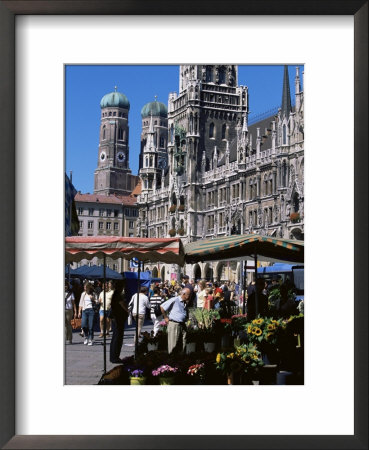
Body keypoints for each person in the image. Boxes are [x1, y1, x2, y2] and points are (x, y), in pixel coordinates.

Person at [160, 287, 191, 354]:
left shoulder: (185, 302)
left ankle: (181, 358)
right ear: (184, 294)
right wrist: (165, 317)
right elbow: (162, 307)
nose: (189, 296)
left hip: (182, 324)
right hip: (174, 324)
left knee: (183, 342)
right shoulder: (175, 300)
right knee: (173, 344)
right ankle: (172, 360)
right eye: (188, 294)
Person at [109, 279, 129, 364]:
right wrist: (128, 310)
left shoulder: (116, 294)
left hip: (117, 318)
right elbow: (122, 304)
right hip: (118, 318)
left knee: (116, 337)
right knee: (117, 337)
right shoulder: (118, 294)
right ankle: (114, 357)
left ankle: (114, 356)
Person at [78, 281, 96, 346]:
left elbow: (97, 302)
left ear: (88, 287)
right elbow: (80, 303)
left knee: (91, 326)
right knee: (83, 325)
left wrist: (93, 299)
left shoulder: (93, 294)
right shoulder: (83, 294)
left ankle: (90, 339)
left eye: (85, 287)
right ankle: (86, 336)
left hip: (91, 311)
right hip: (84, 310)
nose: (84, 288)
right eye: (84, 287)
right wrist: (79, 312)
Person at [65, 280, 77, 345]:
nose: (65, 286)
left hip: (69, 310)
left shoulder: (71, 293)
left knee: (68, 324)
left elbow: (73, 303)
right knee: (64, 325)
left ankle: (70, 338)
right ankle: (65, 338)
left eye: (66, 285)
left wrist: (75, 311)